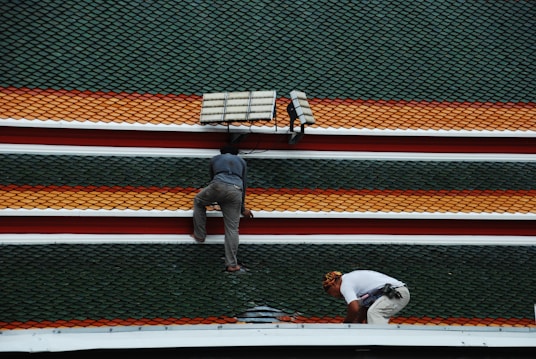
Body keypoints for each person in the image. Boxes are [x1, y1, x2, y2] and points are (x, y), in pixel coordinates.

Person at [191, 145, 254, 273]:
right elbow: (244, 184)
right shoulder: (242, 162)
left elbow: (213, 180)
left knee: (198, 202)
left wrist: (214, 202)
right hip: (236, 191)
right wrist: (242, 209)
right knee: (232, 229)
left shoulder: (215, 159)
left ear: (222, 153)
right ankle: (232, 264)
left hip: (218, 186)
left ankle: (200, 235)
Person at [322, 269, 410, 324]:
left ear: (333, 285)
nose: (334, 296)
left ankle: (380, 343)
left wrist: (346, 325)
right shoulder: (353, 282)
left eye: (331, 293)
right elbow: (362, 311)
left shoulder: (345, 285)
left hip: (397, 293)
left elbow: (354, 309)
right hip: (395, 293)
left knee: (374, 313)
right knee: (371, 317)